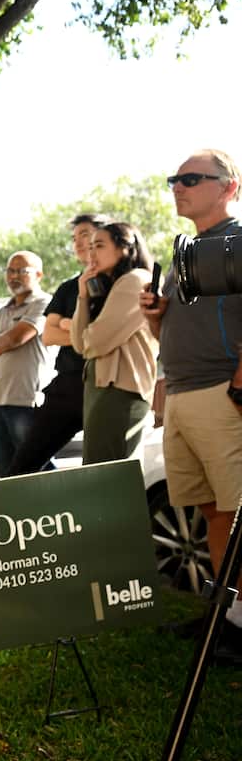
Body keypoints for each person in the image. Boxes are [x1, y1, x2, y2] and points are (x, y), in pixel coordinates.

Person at [141, 149, 242, 658]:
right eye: (174, 179)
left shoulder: (239, 243)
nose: (178, 186)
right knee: (214, 514)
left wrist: (240, 387)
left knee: (238, 513)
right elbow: (176, 334)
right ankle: (226, 620)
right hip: (181, 395)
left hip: (221, 395)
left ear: (230, 186)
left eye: (191, 178)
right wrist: (159, 316)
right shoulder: (186, 250)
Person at [7, 214, 110, 475]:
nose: (78, 243)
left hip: (108, 385)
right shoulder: (67, 288)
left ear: (105, 237)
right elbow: (49, 336)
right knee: (22, 466)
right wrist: (80, 332)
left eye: (84, 235)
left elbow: (109, 337)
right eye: (74, 238)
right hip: (67, 385)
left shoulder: (123, 283)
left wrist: (68, 325)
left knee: (103, 470)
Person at [71, 221, 157, 463]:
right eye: (90, 247)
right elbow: (80, 344)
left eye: (99, 245)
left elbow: (95, 341)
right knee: (101, 472)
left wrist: (89, 337)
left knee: (109, 475)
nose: (91, 253)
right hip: (102, 389)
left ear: (125, 248)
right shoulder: (108, 287)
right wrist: (83, 294)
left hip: (120, 390)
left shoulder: (135, 281)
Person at [0, 251, 52, 477]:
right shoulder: (3, 310)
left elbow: (16, 338)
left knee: (36, 467)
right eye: (10, 271)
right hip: (0, 399)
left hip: (27, 400)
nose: (14, 276)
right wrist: (1, 340)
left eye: (22, 271)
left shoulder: (43, 303)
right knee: (5, 469)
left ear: (39, 275)